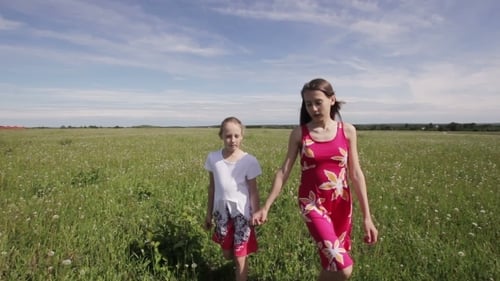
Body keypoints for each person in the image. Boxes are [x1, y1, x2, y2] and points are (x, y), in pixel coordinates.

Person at [252, 78, 378, 281]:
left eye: (318, 102)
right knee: (344, 268)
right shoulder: (299, 134)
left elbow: (355, 173)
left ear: (332, 99)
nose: (313, 108)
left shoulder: (347, 131)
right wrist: (266, 206)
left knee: (330, 266)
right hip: (311, 203)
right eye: (308, 103)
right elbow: (284, 171)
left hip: (341, 204)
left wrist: (367, 217)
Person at [204, 116, 262, 281]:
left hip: (242, 214)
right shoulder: (213, 159)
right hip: (221, 213)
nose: (232, 140)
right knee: (227, 254)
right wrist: (208, 214)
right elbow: (212, 188)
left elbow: (253, 190)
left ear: (242, 136)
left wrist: (256, 212)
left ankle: (241, 272)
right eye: (228, 136)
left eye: (236, 136)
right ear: (221, 136)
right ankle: (235, 263)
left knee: (239, 255)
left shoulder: (248, 161)